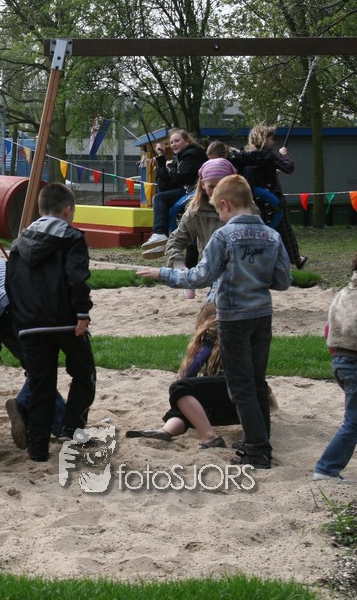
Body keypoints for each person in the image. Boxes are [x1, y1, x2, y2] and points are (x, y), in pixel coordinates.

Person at [137, 174, 293, 469]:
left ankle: (258, 450)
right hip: (262, 315)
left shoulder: (224, 236)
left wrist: (163, 274)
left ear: (224, 204)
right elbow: (284, 280)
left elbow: (201, 276)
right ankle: (258, 439)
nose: (218, 215)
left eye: (217, 209)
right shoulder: (273, 236)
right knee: (257, 381)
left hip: (234, 317)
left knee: (240, 385)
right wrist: (257, 278)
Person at [5, 182, 96, 462]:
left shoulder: (19, 243)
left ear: (40, 210)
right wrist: (82, 313)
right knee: (84, 373)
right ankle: (71, 427)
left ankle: (38, 450)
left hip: (30, 325)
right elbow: (76, 277)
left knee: (41, 385)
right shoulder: (72, 237)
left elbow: (11, 284)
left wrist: (21, 321)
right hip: (66, 322)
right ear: (68, 211)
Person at [0, 253, 66, 449]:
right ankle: (30, 409)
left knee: (37, 368)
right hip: (15, 310)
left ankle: (59, 424)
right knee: (42, 368)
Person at [125, 302, 236, 448]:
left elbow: (189, 372)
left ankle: (209, 437)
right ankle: (166, 431)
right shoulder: (237, 335)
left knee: (180, 389)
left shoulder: (211, 335)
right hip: (243, 406)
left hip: (228, 394)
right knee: (189, 405)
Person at [313, 243, 357, 484]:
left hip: (341, 361)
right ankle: (327, 468)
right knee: (354, 422)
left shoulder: (344, 293)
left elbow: (329, 329)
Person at [229, 122, 306, 270]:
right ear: (263, 139)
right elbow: (288, 167)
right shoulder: (268, 154)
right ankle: (296, 259)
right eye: (271, 139)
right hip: (272, 200)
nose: (273, 142)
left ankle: (256, 263)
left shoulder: (244, 154)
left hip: (253, 202)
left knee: (257, 233)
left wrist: (271, 172)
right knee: (284, 230)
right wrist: (284, 155)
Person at [162, 157, 240, 299]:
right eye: (212, 187)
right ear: (203, 185)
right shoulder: (196, 211)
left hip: (242, 274)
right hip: (214, 273)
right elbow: (175, 241)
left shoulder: (244, 208)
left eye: (222, 186)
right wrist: (181, 270)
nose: (218, 192)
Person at [142, 128, 207, 259]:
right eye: (171, 142)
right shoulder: (179, 157)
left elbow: (179, 176)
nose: (173, 144)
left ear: (187, 141)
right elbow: (165, 183)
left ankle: (160, 233)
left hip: (194, 191)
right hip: (186, 190)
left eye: (177, 141)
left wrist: (170, 166)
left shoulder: (192, 155)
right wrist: (161, 159)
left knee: (159, 198)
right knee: (161, 198)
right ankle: (161, 238)